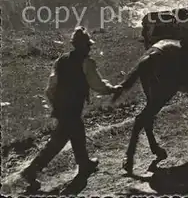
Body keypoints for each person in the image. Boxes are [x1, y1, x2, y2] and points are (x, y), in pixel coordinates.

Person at [21, 26, 123, 189]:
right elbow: (97, 85)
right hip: (73, 108)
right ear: (82, 45)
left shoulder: (61, 60)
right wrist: (112, 88)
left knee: (75, 134)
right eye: (88, 45)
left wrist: (56, 104)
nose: (90, 48)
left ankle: (84, 164)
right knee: (59, 141)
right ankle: (31, 170)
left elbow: (50, 88)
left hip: (62, 107)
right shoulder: (86, 63)